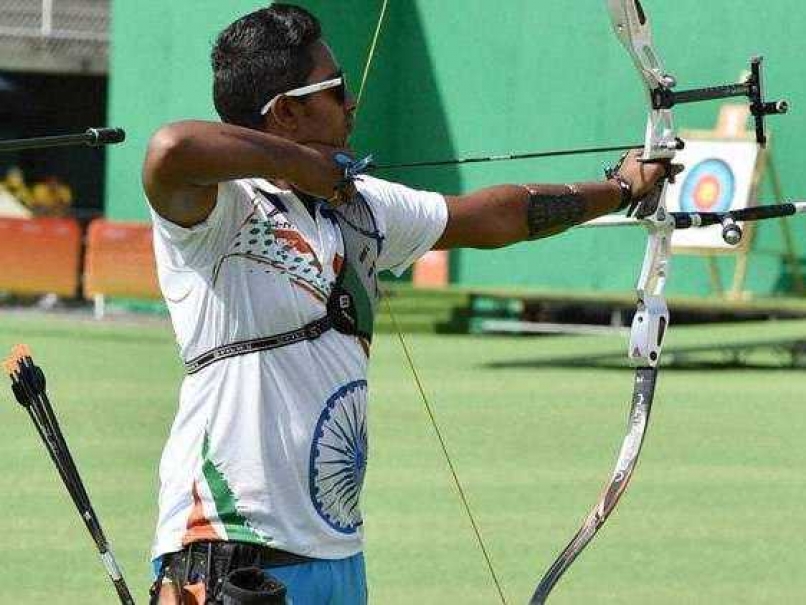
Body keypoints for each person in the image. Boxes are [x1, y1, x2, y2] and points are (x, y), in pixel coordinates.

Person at [142, 4, 667, 604]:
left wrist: (622, 188)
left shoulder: (359, 207)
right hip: (230, 550)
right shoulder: (219, 216)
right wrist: (301, 166)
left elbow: (495, 215)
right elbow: (171, 148)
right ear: (286, 112)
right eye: (336, 90)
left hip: (336, 551)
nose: (353, 105)